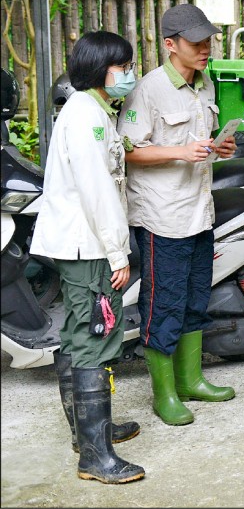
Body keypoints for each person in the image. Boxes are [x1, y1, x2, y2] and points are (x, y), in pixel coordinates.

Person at [30, 31, 145, 483]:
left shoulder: (90, 110)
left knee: (82, 331)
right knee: (98, 333)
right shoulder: (87, 118)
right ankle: (96, 457)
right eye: (123, 67)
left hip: (79, 241)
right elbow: (98, 191)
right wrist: (118, 253)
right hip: (90, 244)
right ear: (102, 69)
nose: (129, 74)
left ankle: (88, 433)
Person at [117, 4, 236, 426]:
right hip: (162, 217)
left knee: (194, 299)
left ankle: (191, 380)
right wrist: (180, 152)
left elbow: (197, 141)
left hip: (198, 211)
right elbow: (127, 152)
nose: (205, 48)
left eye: (208, 40)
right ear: (170, 45)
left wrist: (218, 148)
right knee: (162, 305)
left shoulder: (205, 86)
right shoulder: (148, 90)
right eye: (195, 42)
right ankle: (164, 394)